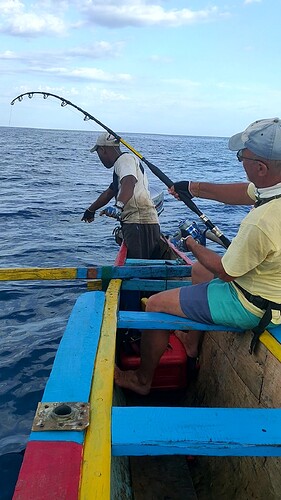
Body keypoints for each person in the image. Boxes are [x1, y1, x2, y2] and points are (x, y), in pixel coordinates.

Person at [115, 117, 281, 395]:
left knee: (155, 304)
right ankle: (191, 344)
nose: (240, 160)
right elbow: (245, 192)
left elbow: (226, 271)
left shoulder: (262, 222)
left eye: (243, 155)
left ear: (261, 167)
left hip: (250, 305)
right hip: (272, 293)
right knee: (198, 272)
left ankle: (142, 381)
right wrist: (194, 188)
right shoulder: (272, 190)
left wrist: (192, 243)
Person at [81, 132, 160, 259]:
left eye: (98, 153)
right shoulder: (124, 164)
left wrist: (118, 207)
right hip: (140, 223)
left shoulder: (124, 160)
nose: (99, 157)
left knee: (138, 268)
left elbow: (129, 182)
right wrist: (91, 210)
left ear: (103, 149)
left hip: (139, 223)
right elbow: (109, 192)